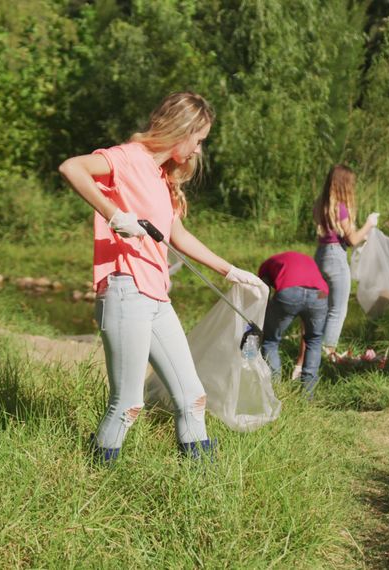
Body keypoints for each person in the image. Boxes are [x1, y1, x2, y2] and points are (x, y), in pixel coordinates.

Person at [58, 92, 265, 464]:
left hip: (155, 297)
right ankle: (95, 471)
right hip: (124, 290)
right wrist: (113, 213)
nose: (199, 151)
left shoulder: (160, 176)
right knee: (128, 404)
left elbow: (177, 236)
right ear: (181, 130)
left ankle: (201, 475)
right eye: (199, 140)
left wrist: (231, 271)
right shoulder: (126, 158)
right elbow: (71, 167)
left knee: (192, 396)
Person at [313, 165, 378, 357]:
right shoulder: (340, 208)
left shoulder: (321, 205)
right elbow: (352, 239)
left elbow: (339, 235)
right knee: (338, 309)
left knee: (322, 307)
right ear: (343, 185)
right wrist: (370, 223)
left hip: (321, 255)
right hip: (336, 258)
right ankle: (328, 353)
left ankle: (314, 349)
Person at [257, 251, 329, 398]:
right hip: (320, 294)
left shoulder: (266, 266)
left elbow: (262, 294)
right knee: (314, 341)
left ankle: (274, 393)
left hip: (289, 291)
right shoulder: (307, 260)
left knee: (270, 341)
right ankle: (308, 396)